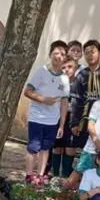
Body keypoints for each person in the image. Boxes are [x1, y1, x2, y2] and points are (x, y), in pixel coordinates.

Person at [23, 40, 70, 181]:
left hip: (52, 121)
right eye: (56, 53)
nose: (59, 56)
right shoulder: (41, 71)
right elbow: (27, 91)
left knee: (45, 148)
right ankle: (29, 177)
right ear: (50, 54)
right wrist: (44, 99)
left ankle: (40, 176)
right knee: (33, 148)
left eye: (62, 54)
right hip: (37, 117)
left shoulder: (64, 78)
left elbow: (64, 103)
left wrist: (61, 125)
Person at [69, 40, 100, 158]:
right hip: (85, 121)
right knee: (86, 151)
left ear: (99, 52)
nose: (90, 55)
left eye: (93, 52)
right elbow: (76, 100)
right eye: (87, 53)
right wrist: (74, 122)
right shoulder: (81, 75)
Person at [48, 58, 79, 178]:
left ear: (75, 68)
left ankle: (66, 177)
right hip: (58, 118)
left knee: (70, 148)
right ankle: (55, 176)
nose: (66, 70)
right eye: (63, 67)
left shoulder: (79, 84)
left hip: (72, 120)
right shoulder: (56, 83)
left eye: (69, 67)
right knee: (57, 147)